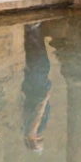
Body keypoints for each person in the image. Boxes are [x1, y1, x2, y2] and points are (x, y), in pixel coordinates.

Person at [21, 22, 52, 152]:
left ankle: (33, 29)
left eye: (40, 141)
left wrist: (46, 98)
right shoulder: (25, 129)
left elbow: (38, 113)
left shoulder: (33, 132)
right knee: (35, 61)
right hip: (32, 90)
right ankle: (32, 30)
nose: (41, 138)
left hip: (38, 92)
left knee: (39, 62)